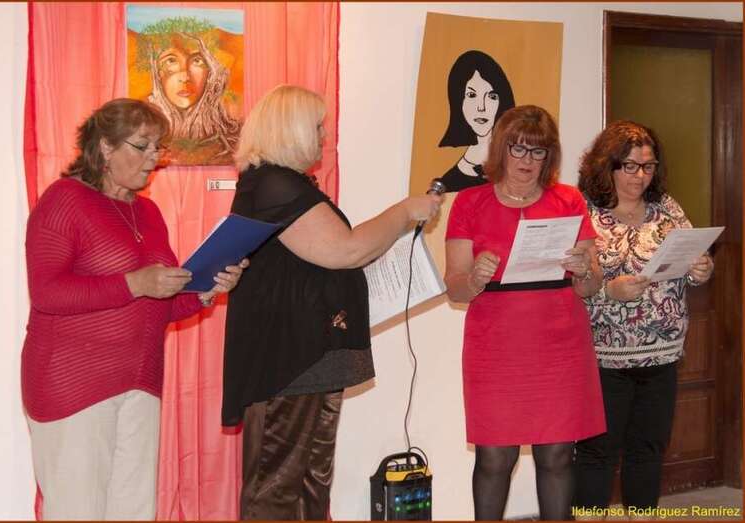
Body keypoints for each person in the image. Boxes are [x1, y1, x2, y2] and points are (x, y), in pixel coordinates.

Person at [221, 84, 442, 520]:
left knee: (311, 481)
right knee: (277, 487)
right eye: (317, 126)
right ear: (290, 129)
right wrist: (404, 211)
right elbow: (346, 249)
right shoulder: (273, 184)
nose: (324, 135)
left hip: (313, 355)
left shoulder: (286, 185)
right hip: (289, 360)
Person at [21, 98, 247, 520]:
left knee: (135, 511)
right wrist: (135, 283)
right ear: (105, 147)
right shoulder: (63, 199)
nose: (153, 159)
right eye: (142, 146)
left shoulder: (148, 212)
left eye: (158, 148)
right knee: (77, 512)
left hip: (140, 382)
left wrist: (206, 290)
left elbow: (159, 303)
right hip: (73, 385)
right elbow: (47, 293)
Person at [444, 105, 606, 520]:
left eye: (538, 151)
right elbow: (455, 286)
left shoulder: (568, 199)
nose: (527, 160)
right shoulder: (470, 201)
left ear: (550, 156)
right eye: (518, 148)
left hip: (560, 344)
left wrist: (585, 270)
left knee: (557, 456)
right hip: (496, 347)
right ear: (501, 148)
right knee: (495, 459)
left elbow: (591, 286)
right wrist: (474, 278)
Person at [573, 121, 714, 514]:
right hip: (605, 358)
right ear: (607, 165)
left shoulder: (666, 207)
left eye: (648, 166)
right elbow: (567, 285)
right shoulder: (584, 211)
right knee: (597, 453)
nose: (640, 176)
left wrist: (701, 270)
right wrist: (609, 291)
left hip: (662, 354)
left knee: (648, 451)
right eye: (630, 166)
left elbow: (689, 261)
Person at [146, 28, 241, 163]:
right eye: (171, 61)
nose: (185, 77)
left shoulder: (233, 137)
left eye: (197, 61)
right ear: (157, 73)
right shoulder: (143, 137)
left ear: (211, 72)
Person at [438, 50, 515, 192]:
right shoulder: (448, 183)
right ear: (458, 99)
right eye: (472, 95)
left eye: (491, 96)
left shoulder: (520, 166)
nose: (481, 107)